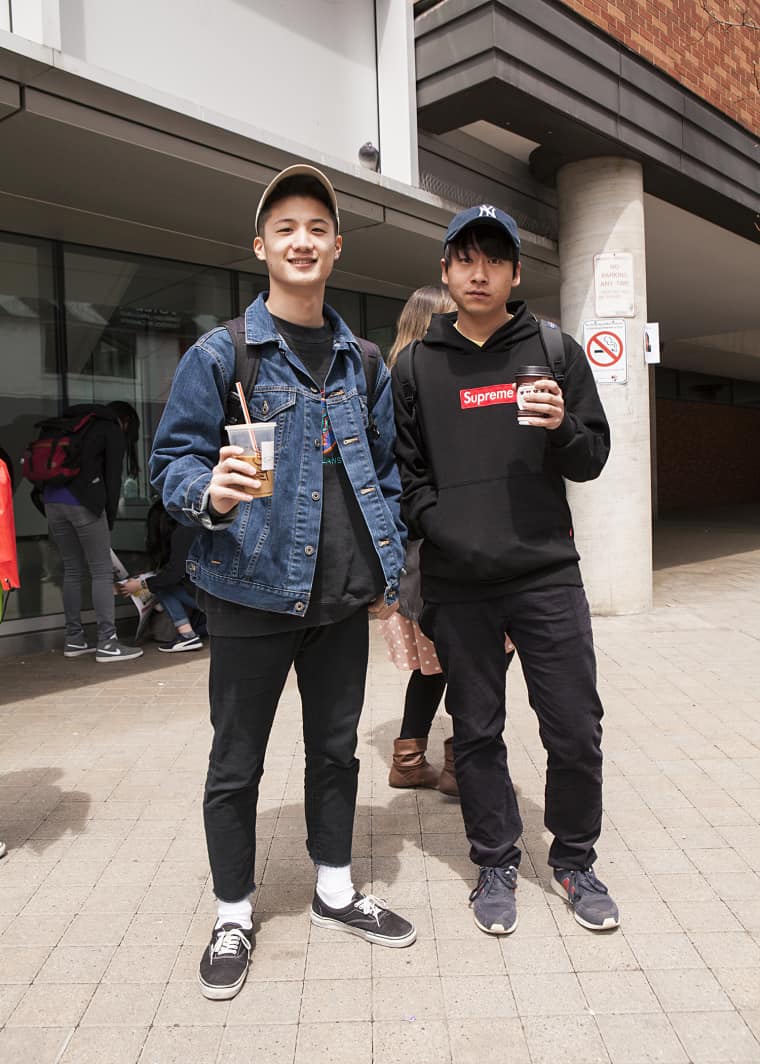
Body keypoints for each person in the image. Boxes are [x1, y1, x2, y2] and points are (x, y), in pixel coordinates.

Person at [150, 164, 415, 1003]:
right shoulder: (221, 352)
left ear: (336, 247)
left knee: (334, 752)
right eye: (286, 227)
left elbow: (386, 472)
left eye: (318, 228)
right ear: (260, 246)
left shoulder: (362, 357)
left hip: (340, 599)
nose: (303, 240)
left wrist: (391, 569)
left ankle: (335, 890)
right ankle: (234, 911)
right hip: (249, 593)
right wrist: (207, 492)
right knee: (237, 762)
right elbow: (170, 463)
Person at [392, 204, 619, 936]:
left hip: (546, 573)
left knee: (575, 729)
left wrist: (561, 429)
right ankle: (495, 859)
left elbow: (592, 458)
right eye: (465, 257)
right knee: (477, 731)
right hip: (460, 585)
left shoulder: (554, 349)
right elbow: (408, 474)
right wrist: (445, 530)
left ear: (517, 272)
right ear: (446, 271)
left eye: (494, 258)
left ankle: (575, 860)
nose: (479, 270)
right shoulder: (418, 364)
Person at [41, 400, 143, 663]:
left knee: (72, 569)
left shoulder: (65, 424)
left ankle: (74, 639)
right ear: (127, 422)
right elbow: (112, 478)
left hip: (52, 500)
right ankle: (107, 643)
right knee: (100, 570)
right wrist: (107, 517)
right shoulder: (109, 427)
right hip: (84, 502)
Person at [118, 498, 205, 652]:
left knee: (162, 587)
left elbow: (173, 575)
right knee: (162, 583)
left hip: (207, 599)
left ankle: (187, 636)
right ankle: (190, 635)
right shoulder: (194, 526)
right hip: (214, 597)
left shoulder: (183, 531)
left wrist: (141, 584)